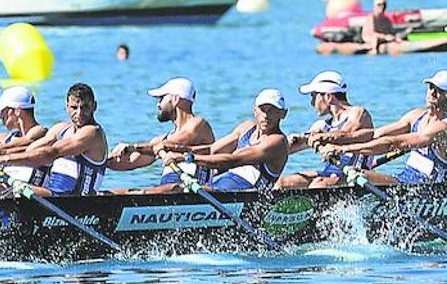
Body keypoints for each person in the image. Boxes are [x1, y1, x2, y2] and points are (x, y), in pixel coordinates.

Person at [320, 70, 447, 185]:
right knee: (356, 174)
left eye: (440, 90)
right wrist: (332, 141)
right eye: (431, 87)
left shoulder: (445, 128)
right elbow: (375, 135)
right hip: (404, 182)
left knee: (359, 175)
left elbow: (394, 143)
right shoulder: (416, 116)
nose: (432, 93)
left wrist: (344, 149)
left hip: (430, 191)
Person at [0, 83, 108, 196]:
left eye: (85, 107)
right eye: (74, 108)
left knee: (7, 192)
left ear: (94, 107)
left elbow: (51, 153)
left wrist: (3, 160)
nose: (79, 113)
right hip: (52, 196)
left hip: (77, 203)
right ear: (67, 107)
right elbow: (31, 150)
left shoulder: (93, 133)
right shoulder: (61, 128)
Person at [157, 89, 290, 191]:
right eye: (263, 110)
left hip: (246, 198)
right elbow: (211, 149)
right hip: (221, 186)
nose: (266, 116)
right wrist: (176, 148)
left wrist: (186, 158)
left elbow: (233, 161)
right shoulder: (246, 127)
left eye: (272, 111)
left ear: (283, 114)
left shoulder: (277, 142)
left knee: (179, 191)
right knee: (174, 189)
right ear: (254, 110)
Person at [107, 77, 216, 192]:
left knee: (140, 193)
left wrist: (132, 147)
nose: (158, 104)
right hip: (166, 194)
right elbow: (130, 161)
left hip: (192, 193)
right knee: (110, 193)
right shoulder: (161, 139)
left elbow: (174, 143)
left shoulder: (199, 125)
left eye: (161, 98)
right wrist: (101, 159)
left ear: (175, 99)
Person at [279, 70, 375, 189]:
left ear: (328, 96)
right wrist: (284, 146)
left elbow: (346, 135)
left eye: (314, 96)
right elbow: (298, 146)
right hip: (329, 175)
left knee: (318, 184)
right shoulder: (321, 125)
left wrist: (320, 137)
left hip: (355, 176)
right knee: (283, 182)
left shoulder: (358, 113)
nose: (311, 102)